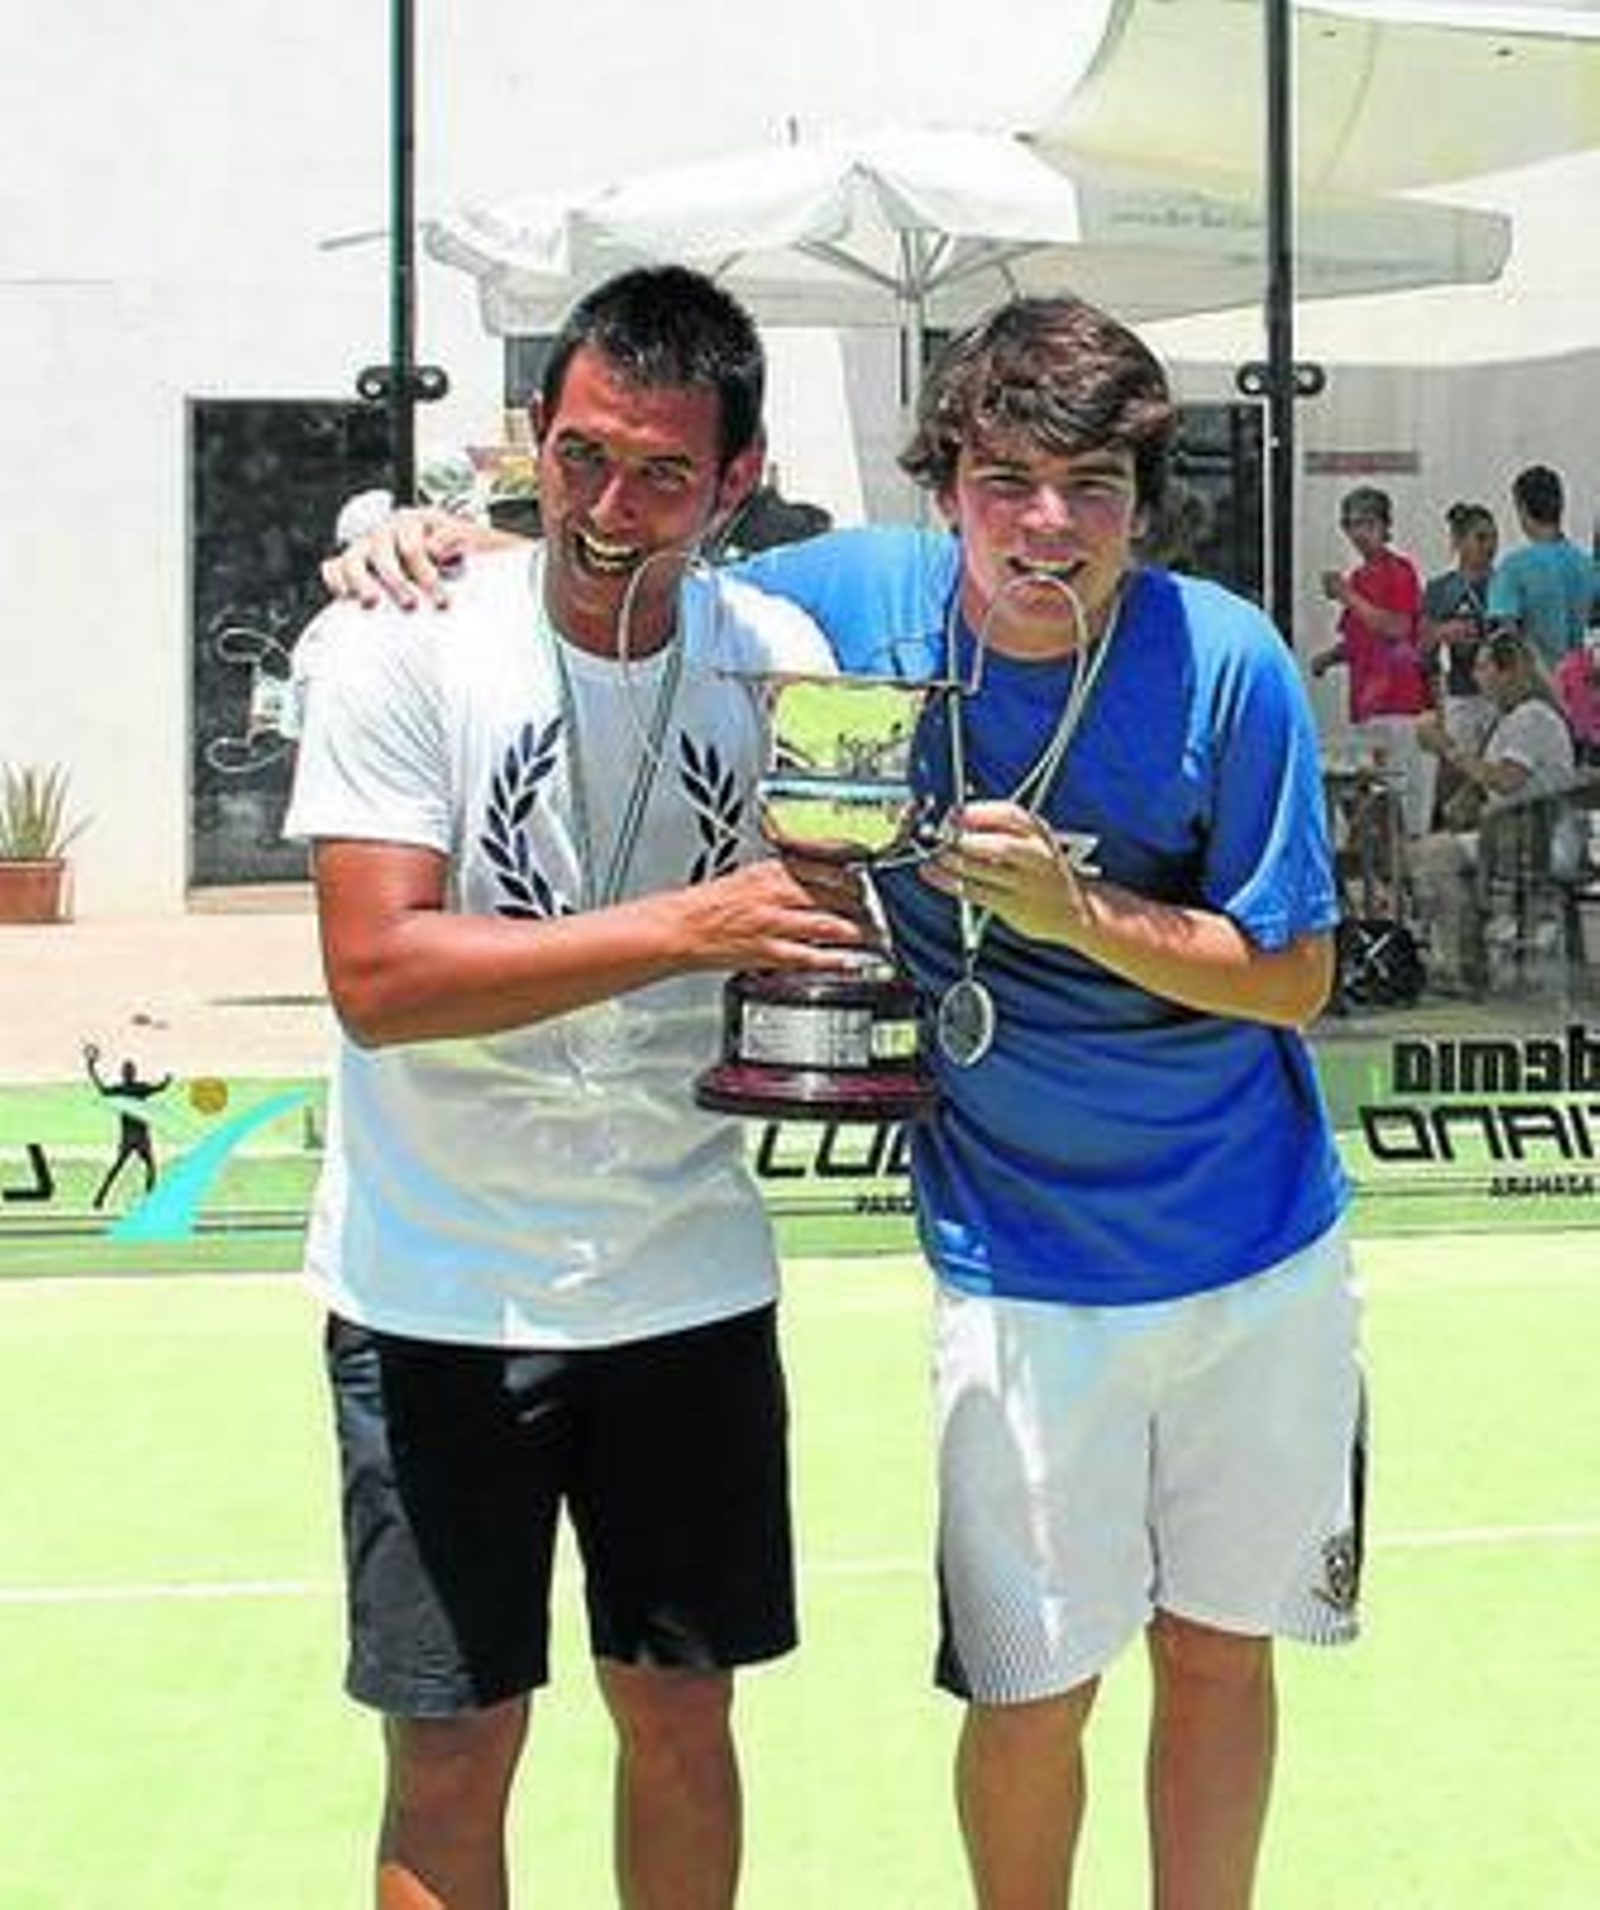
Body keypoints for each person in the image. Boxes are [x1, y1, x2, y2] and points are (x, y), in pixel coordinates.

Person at [326, 293, 1360, 1910]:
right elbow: (632, 535)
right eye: (1007, 478)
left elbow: (1292, 980)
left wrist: (1079, 915)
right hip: (1015, 1270)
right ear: (941, 481)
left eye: (1093, 488)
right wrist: (432, 529)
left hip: (1260, 1246)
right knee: (1029, 1688)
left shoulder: (1223, 658)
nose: (1045, 523)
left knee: (1219, 1659)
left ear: (1141, 505)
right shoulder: (832, 609)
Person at [286, 265, 870, 1910]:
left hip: (683, 1277)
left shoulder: (781, 653)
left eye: (665, 473)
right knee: (454, 1746)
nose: (613, 508)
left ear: (738, 482)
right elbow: (379, 978)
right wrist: (696, 920)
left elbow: (828, 912)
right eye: (584, 458)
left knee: (684, 1715)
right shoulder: (391, 637)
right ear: (529, 437)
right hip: (435, 1286)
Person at [1413, 628, 1577, 992]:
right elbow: (1490, 783)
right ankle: (1463, 957)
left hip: (1532, 839)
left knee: (1433, 856)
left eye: (1484, 667)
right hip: (1518, 832)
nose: (1477, 676)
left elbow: (1505, 780)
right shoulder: (1515, 719)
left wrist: (1447, 747)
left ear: (1509, 671)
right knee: (1437, 846)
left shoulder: (1531, 718)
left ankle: (1462, 965)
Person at [1309, 486, 1435, 838]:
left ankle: (1406, 879)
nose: (1358, 533)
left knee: (1402, 807)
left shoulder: (1400, 571)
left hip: (1398, 705)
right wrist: (1328, 658)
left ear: (1385, 526)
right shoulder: (1360, 578)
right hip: (1367, 707)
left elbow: (1397, 626)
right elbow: (1358, 640)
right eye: (1351, 524)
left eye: (1367, 523)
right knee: (1370, 808)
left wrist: (1347, 596)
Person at [1486, 463, 1600, 672]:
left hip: (1537, 692)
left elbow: (1503, 640)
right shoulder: (1589, 567)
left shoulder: (1513, 568)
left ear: (1521, 507)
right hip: (1582, 691)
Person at [1420, 500, 1498, 754]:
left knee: (1494, 777)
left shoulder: (1506, 584)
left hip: (1500, 697)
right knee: (1457, 770)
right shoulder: (1440, 589)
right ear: (1458, 541)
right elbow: (1423, 650)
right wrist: (1440, 633)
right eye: (1481, 538)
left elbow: (1520, 641)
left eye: (1494, 538)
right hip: (1459, 696)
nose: (1490, 546)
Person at [82, 1041, 172, 1210]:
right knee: (151, 1166)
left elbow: (102, 1089)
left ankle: (100, 1197)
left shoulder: (120, 1089)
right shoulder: (140, 1088)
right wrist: (167, 1080)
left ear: (123, 1074)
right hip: (142, 1136)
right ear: (134, 1073)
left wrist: (91, 1068)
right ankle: (149, 1200)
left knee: (117, 1168)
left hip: (128, 1136)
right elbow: (160, 1087)